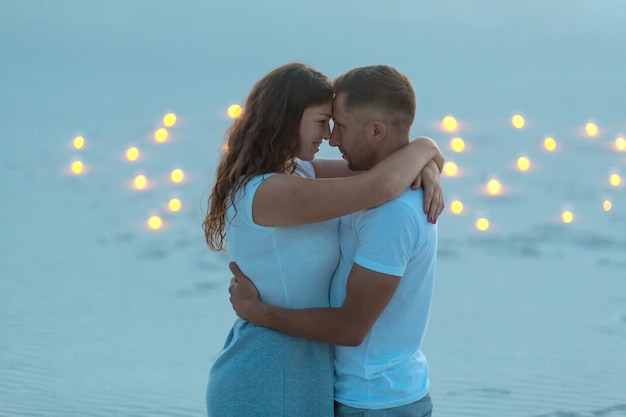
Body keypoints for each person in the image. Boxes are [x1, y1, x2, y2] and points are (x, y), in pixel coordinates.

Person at [203, 63, 444, 417]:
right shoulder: (268, 192)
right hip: (270, 367)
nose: (329, 136)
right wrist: (425, 147)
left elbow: (385, 169)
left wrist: (427, 156)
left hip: (306, 368)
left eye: (335, 124)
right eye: (321, 121)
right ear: (287, 120)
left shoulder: (298, 172)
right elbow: (379, 185)